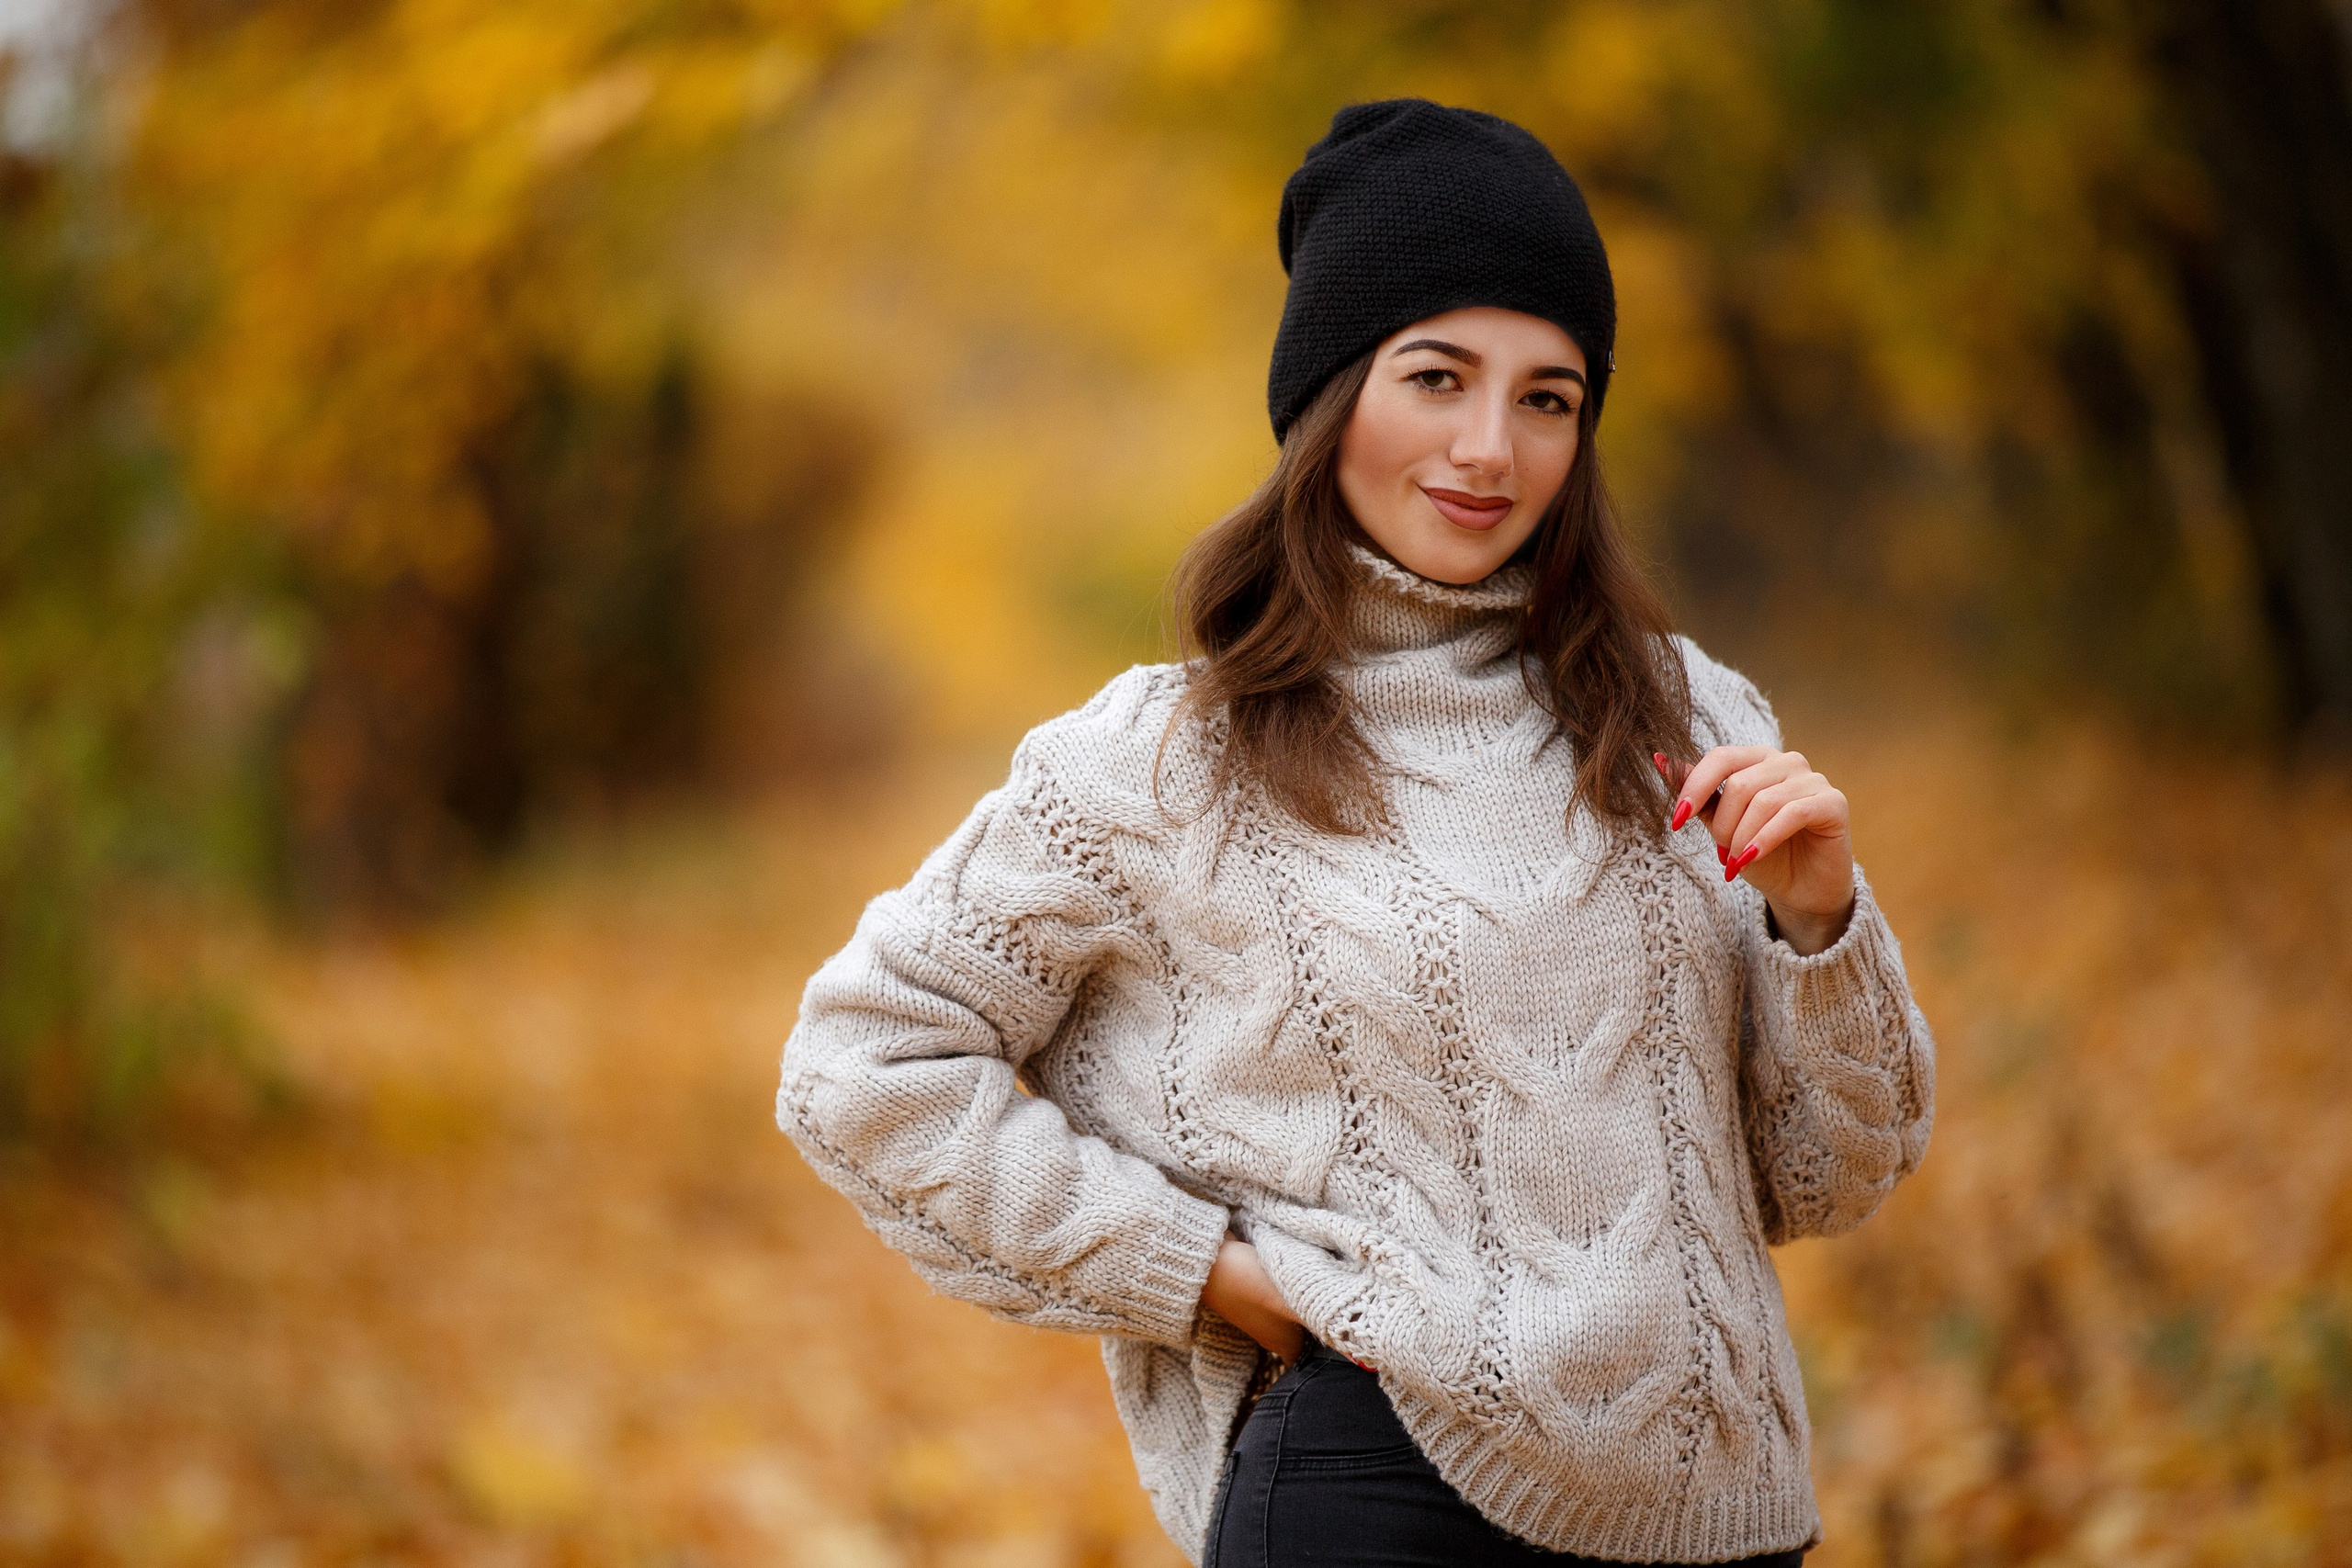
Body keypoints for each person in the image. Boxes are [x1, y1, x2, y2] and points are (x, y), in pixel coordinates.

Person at [776, 99, 1934, 1568]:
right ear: (1331, 393)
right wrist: (1203, 1267)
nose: (1487, 448)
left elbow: (1832, 1176)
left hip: (1726, 1508)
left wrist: (1820, 924)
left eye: (1547, 397)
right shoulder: (1163, 756)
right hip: (1380, 1491)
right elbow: (862, 1062)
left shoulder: (1689, 713)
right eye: (1436, 377)